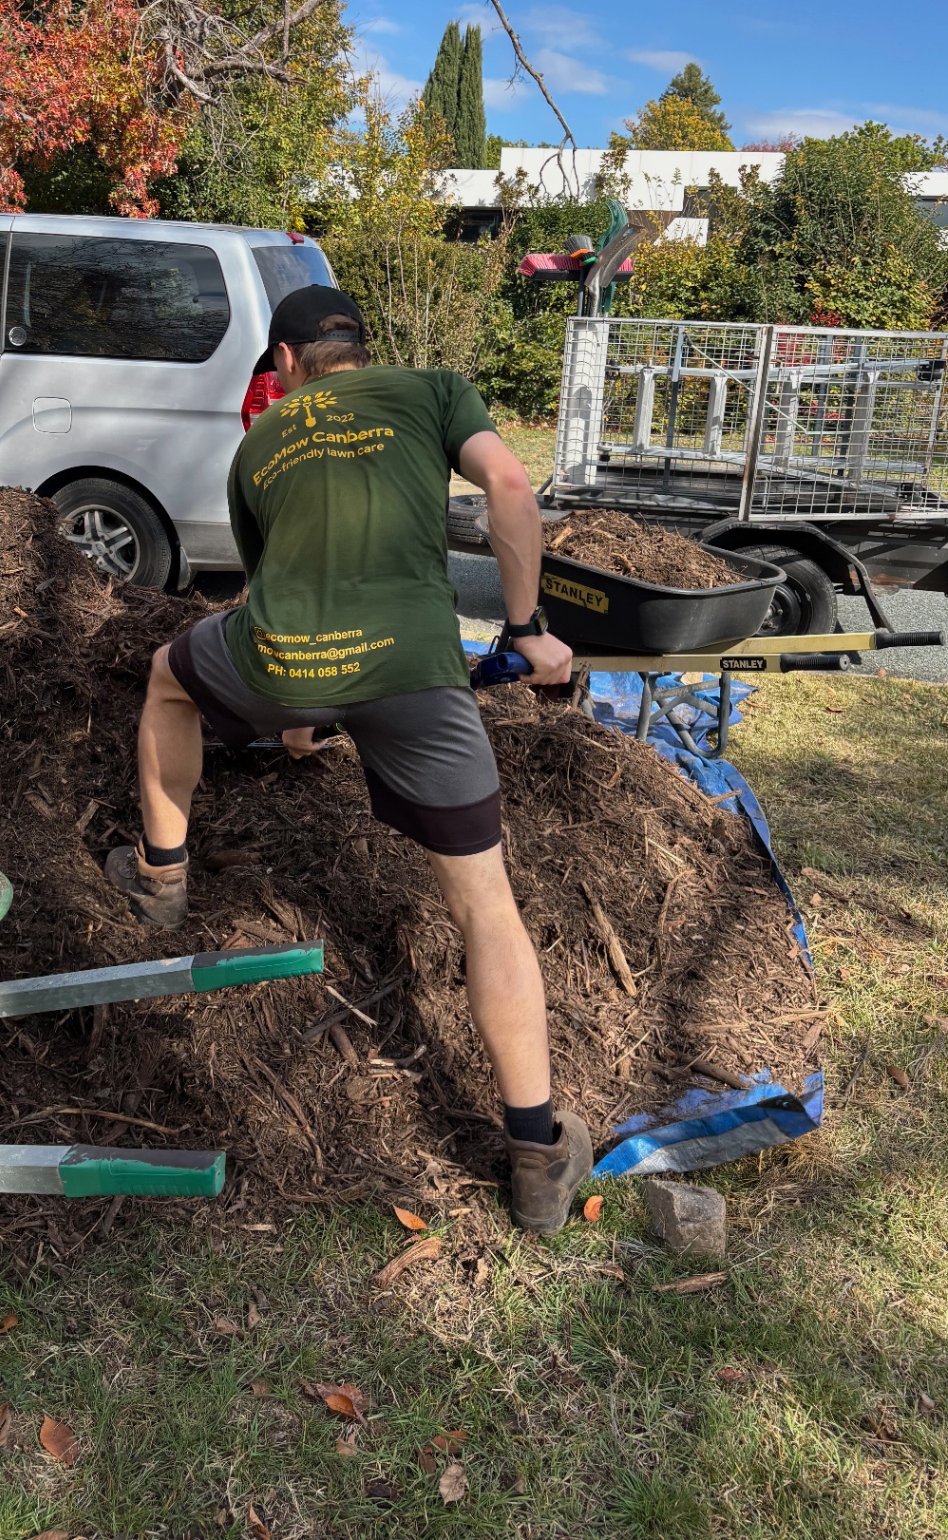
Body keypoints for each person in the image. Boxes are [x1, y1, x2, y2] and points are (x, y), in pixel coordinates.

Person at [105, 286, 592, 1232]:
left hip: (281, 663)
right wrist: (528, 631)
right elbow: (511, 489)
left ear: (285, 359)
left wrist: (296, 714)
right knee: (484, 903)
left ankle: (161, 877)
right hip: (414, 671)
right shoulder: (432, 391)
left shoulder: (263, 440)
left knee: (168, 679)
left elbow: (268, 588)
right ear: (359, 350)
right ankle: (535, 1153)